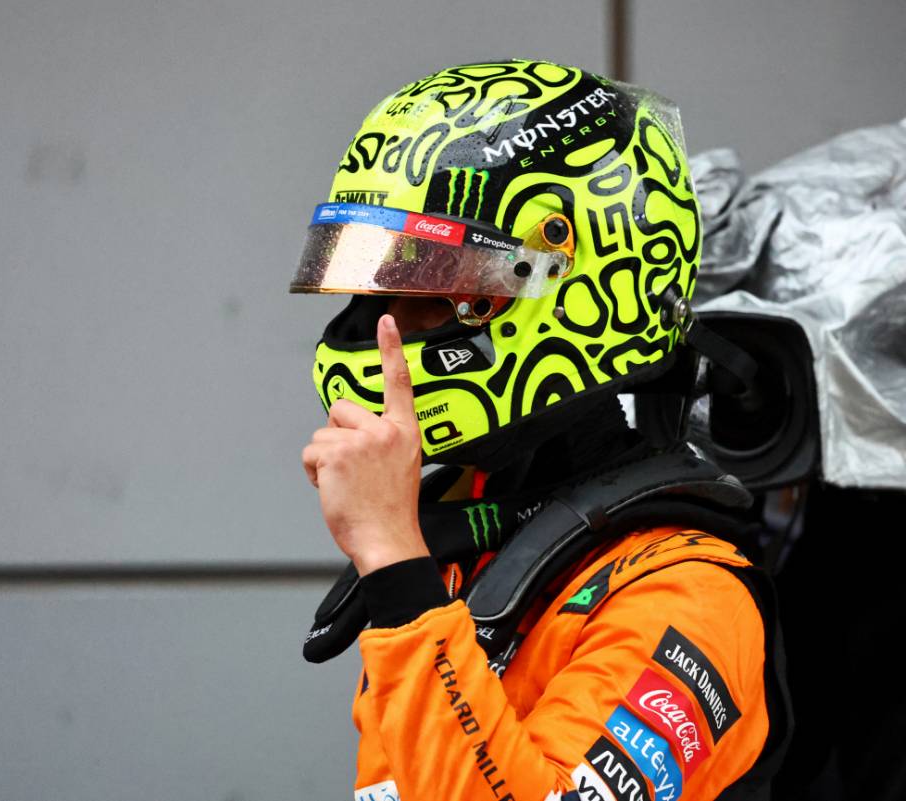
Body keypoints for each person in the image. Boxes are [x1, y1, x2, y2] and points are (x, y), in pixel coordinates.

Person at [290, 60, 790, 801]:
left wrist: (396, 565)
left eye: (433, 293)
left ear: (570, 283)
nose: (381, 331)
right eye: (373, 292)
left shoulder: (688, 598)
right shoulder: (463, 541)